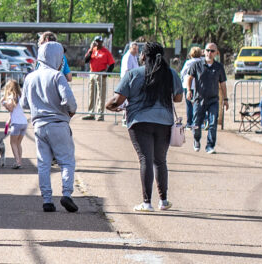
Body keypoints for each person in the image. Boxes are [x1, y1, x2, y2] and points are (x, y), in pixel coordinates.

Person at [110, 42, 184, 211]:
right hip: (164, 122)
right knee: (160, 161)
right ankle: (164, 201)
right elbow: (178, 98)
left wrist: (110, 106)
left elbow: (117, 100)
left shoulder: (134, 74)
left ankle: (146, 202)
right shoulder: (170, 74)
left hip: (139, 122)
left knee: (145, 159)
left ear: (143, 56)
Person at [23, 41, 80, 212]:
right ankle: (67, 194)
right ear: (56, 57)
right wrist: (71, 110)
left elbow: (24, 103)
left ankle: (47, 200)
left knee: (43, 164)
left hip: (39, 125)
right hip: (58, 123)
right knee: (66, 161)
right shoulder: (57, 76)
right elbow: (70, 100)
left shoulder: (30, 77)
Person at [188, 42, 228, 153]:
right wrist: (188, 91)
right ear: (203, 52)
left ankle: (210, 145)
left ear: (216, 53)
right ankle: (196, 140)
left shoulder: (219, 67)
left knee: (212, 123)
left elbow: (223, 84)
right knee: (196, 123)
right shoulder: (196, 65)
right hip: (199, 98)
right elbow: (190, 78)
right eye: (207, 50)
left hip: (213, 100)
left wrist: (225, 99)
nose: (209, 53)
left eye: (212, 51)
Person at [84, 37, 116, 120]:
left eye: (100, 42)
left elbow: (112, 64)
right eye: (97, 41)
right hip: (92, 73)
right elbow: (86, 60)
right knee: (91, 94)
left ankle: (100, 114)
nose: (98, 43)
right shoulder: (92, 50)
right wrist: (91, 49)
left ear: (102, 42)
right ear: (94, 42)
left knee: (101, 95)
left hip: (101, 74)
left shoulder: (106, 52)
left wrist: (107, 73)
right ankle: (91, 113)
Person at [0, 79, 30, 163]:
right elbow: (15, 111)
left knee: (13, 143)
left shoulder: (11, 97)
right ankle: (19, 160)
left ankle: (17, 161)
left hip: (16, 124)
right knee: (18, 143)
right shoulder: (20, 97)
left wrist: (3, 102)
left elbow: (11, 107)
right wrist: (9, 121)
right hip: (24, 123)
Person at [179, 49, 202, 128]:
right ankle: (199, 122)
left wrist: (182, 80)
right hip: (199, 85)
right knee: (198, 103)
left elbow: (182, 72)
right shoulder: (202, 62)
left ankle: (189, 122)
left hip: (188, 85)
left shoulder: (188, 62)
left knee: (189, 104)